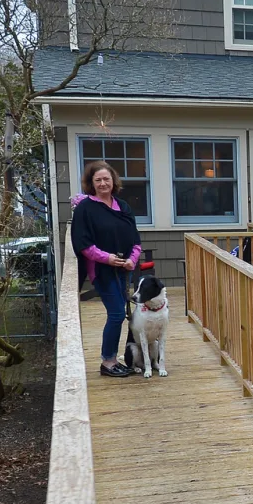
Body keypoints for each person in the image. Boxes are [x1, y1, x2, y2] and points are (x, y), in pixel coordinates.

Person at [70, 161, 142, 377]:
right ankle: (108, 361)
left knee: (119, 310)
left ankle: (112, 359)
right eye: (98, 180)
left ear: (113, 181)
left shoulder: (122, 207)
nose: (103, 183)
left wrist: (132, 260)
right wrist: (107, 259)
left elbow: (135, 240)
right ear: (91, 183)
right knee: (117, 313)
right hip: (101, 270)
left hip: (123, 269)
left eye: (106, 179)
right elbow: (83, 244)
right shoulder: (85, 208)